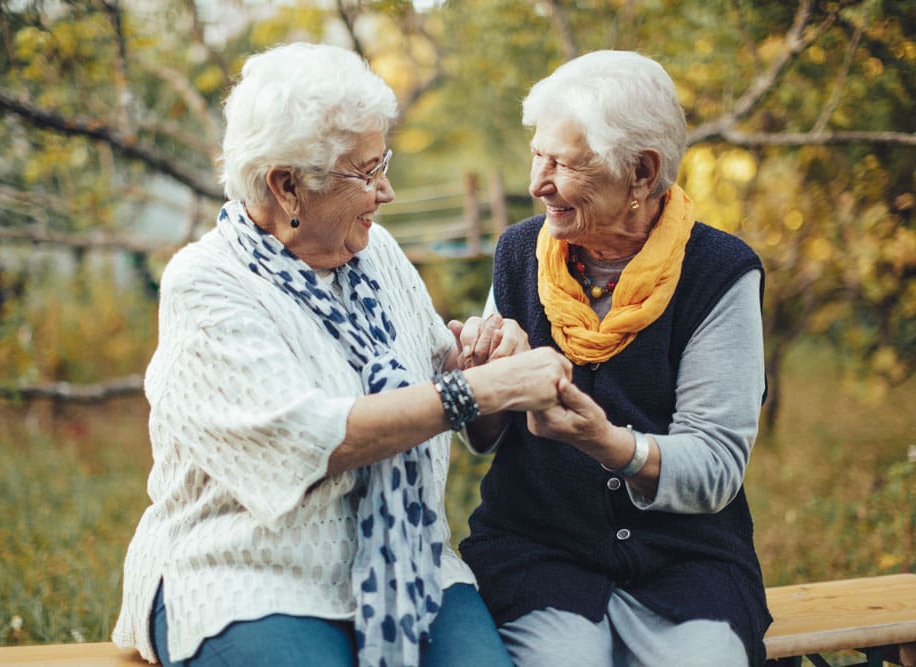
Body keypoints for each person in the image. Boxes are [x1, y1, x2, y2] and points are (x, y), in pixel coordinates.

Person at [110, 42, 571, 667]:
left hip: (410, 557)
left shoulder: (375, 254)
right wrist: (480, 391)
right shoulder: (207, 282)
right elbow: (304, 441)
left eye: (383, 162)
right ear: (287, 186)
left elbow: (455, 403)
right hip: (246, 568)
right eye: (365, 171)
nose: (386, 191)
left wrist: (488, 362)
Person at [456, 50, 773, 666]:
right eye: (537, 155)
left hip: (687, 563)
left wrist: (610, 443)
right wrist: (488, 382)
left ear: (641, 173)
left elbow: (715, 465)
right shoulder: (521, 252)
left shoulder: (719, 273)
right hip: (538, 553)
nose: (536, 182)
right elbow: (483, 439)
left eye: (563, 164)